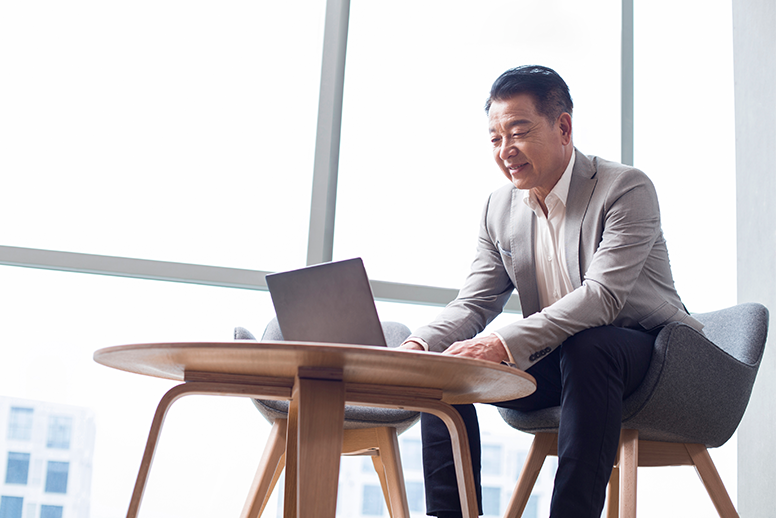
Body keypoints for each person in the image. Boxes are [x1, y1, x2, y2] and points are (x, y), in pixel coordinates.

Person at [399, 65, 704, 518]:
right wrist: (422, 344)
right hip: (566, 361)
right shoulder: (498, 208)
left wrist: (502, 342)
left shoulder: (625, 188)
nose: (506, 151)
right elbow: (474, 302)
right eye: (495, 138)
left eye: (518, 132)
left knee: (591, 345)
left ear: (563, 128)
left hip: (654, 354)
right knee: (444, 370)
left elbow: (602, 297)